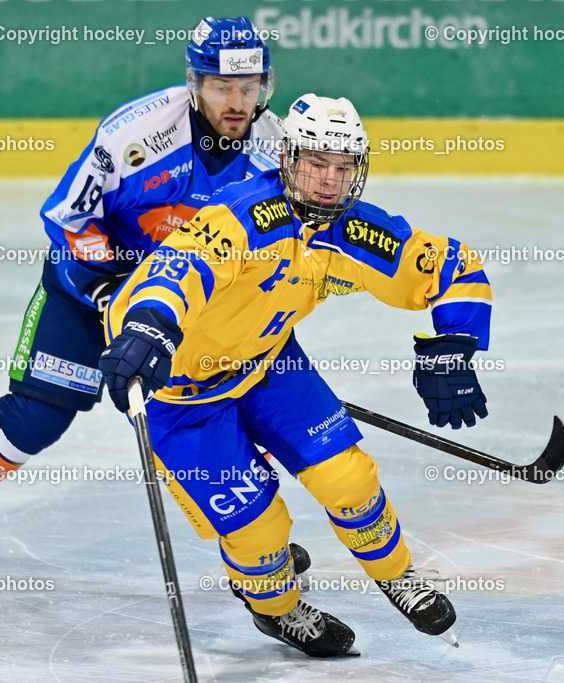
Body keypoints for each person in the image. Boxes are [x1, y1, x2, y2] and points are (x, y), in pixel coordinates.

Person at [0, 17, 300, 580]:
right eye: (221, 86)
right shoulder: (137, 136)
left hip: (189, 309)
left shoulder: (276, 150)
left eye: (249, 87)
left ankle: (254, 542)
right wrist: (108, 287)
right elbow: (70, 216)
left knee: (224, 418)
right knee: (38, 415)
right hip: (93, 294)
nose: (237, 103)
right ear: (194, 83)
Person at [99, 94, 493, 656]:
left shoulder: (351, 230)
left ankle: (397, 575)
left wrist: (453, 346)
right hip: (180, 396)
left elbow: (452, 264)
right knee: (256, 530)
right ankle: (277, 610)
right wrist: (150, 327)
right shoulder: (241, 216)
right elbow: (179, 269)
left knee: (349, 478)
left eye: (344, 166)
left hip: (269, 367)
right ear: (287, 158)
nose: (330, 180)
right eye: (316, 163)